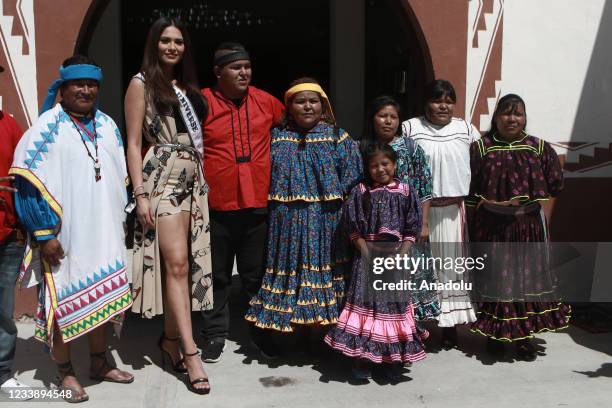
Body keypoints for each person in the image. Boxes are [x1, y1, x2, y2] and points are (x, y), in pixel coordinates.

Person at [10, 55, 133, 403]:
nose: (85, 90)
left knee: (102, 303)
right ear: (62, 88)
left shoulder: (108, 125)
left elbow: (116, 178)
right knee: (63, 304)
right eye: (78, 84)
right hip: (65, 238)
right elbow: (28, 185)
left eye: (91, 84)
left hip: (104, 234)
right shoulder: (47, 127)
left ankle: (99, 362)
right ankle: (65, 372)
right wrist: (44, 235)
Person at [125, 17, 211, 394]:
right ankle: (190, 353)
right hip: (163, 178)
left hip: (193, 180)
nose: (173, 47)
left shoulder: (187, 87)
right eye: (165, 41)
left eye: (178, 41)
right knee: (175, 263)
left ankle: (170, 341)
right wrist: (140, 193)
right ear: (154, 44)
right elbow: (132, 143)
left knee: (186, 265)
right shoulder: (140, 84)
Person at [245, 78, 362, 344]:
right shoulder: (276, 138)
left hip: (326, 222)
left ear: (323, 105)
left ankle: (320, 334)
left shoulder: (338, 137)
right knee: (290, 272)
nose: (307, 106)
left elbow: (353, 178)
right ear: (289, 106)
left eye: (313, 101)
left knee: (324, 271)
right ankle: (291, 333)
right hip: (285, 221)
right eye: (300, 101)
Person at [466, 94, 570, 361]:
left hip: (528, 226)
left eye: (518, 114)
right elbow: (469, 190)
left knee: (526, 279)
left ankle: (524, 337)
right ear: (496, 117)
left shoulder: (538, 148)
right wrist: (487, 204)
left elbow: (555, 184)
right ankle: (496, 335)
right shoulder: (481, 148)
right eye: (506, 113)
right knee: (498, 279)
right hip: (492, 227)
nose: (512, 119)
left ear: (524, 118)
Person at [200, 42, 284, 362]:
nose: (244, 72)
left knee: (257, 275)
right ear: (218, 72)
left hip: (257, 206)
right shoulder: (202, 104)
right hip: (215, 207)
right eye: (236, 67)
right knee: (216, 276)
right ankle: (214, 335)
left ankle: (261, 333)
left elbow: (293, 126)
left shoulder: (266, 102)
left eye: (247, 66)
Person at [324, 142, 426, 380]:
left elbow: (412, 228)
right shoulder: (360, 192)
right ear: (367, 169)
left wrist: (402, 254)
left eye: (385, 164)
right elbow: (353, 231)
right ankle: (362, 359)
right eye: (374, 166)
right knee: (367, 311)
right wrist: (367, 254)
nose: (380, 169)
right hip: (367, 260)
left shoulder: (406, 192)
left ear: (395, 164)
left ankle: (391, 360)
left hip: (395, 261)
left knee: (392, 310)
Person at [401, 80, 479, 348]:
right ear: (426, 103)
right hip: (421, 211)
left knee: (451, 268)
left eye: (448, 100)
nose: (442, 106)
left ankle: (450, 328)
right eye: (437, 100)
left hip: (453, 211)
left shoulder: (466, 129)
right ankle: (417, 327)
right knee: (419, 270)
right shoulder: (411, 127)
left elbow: (480, 165)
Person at [362, 95, 440, 322]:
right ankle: (380, 332)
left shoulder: (411, 148)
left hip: (408, 225)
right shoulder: (362, 147)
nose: (388, 121)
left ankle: (409, 332)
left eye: (393, 117)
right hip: (375, 228)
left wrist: (424, 224)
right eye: (382, 116)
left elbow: (425, 187)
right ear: (372, 119)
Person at [0, 62, 31, 398]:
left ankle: (2, 372)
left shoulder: (11, 126)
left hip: (6, 234)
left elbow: (26, 174)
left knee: (3, 310)